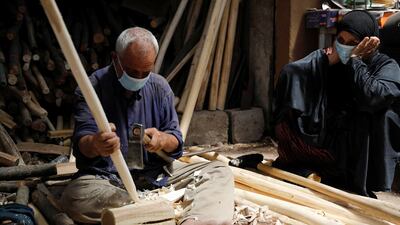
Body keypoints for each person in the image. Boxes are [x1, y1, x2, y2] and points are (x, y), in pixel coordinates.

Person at [60, 27, 234, 225]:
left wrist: (162, 140)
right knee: (75, 198)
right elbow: (83, 143)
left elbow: (175, 141)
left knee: (219, 171)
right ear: (115, 59)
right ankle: (155, 210)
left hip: (157, 176)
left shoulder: (159, 87)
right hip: (106, 179)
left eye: (146, 71)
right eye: (132, 71)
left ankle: (190, 220)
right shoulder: (91, 88)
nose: (139, 78)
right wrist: (97, 144)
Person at [273, 10, 400, 197]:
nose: (345, 47)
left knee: (378, 113)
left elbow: (373, 97)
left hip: (357, 143)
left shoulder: (386, 66)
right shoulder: (331, 57)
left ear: (370, 44)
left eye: (353, 43)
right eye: (341, 40)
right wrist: (326, 62)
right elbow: (290, 73)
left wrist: (355, 61)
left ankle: (357, 180)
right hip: (328, 141)